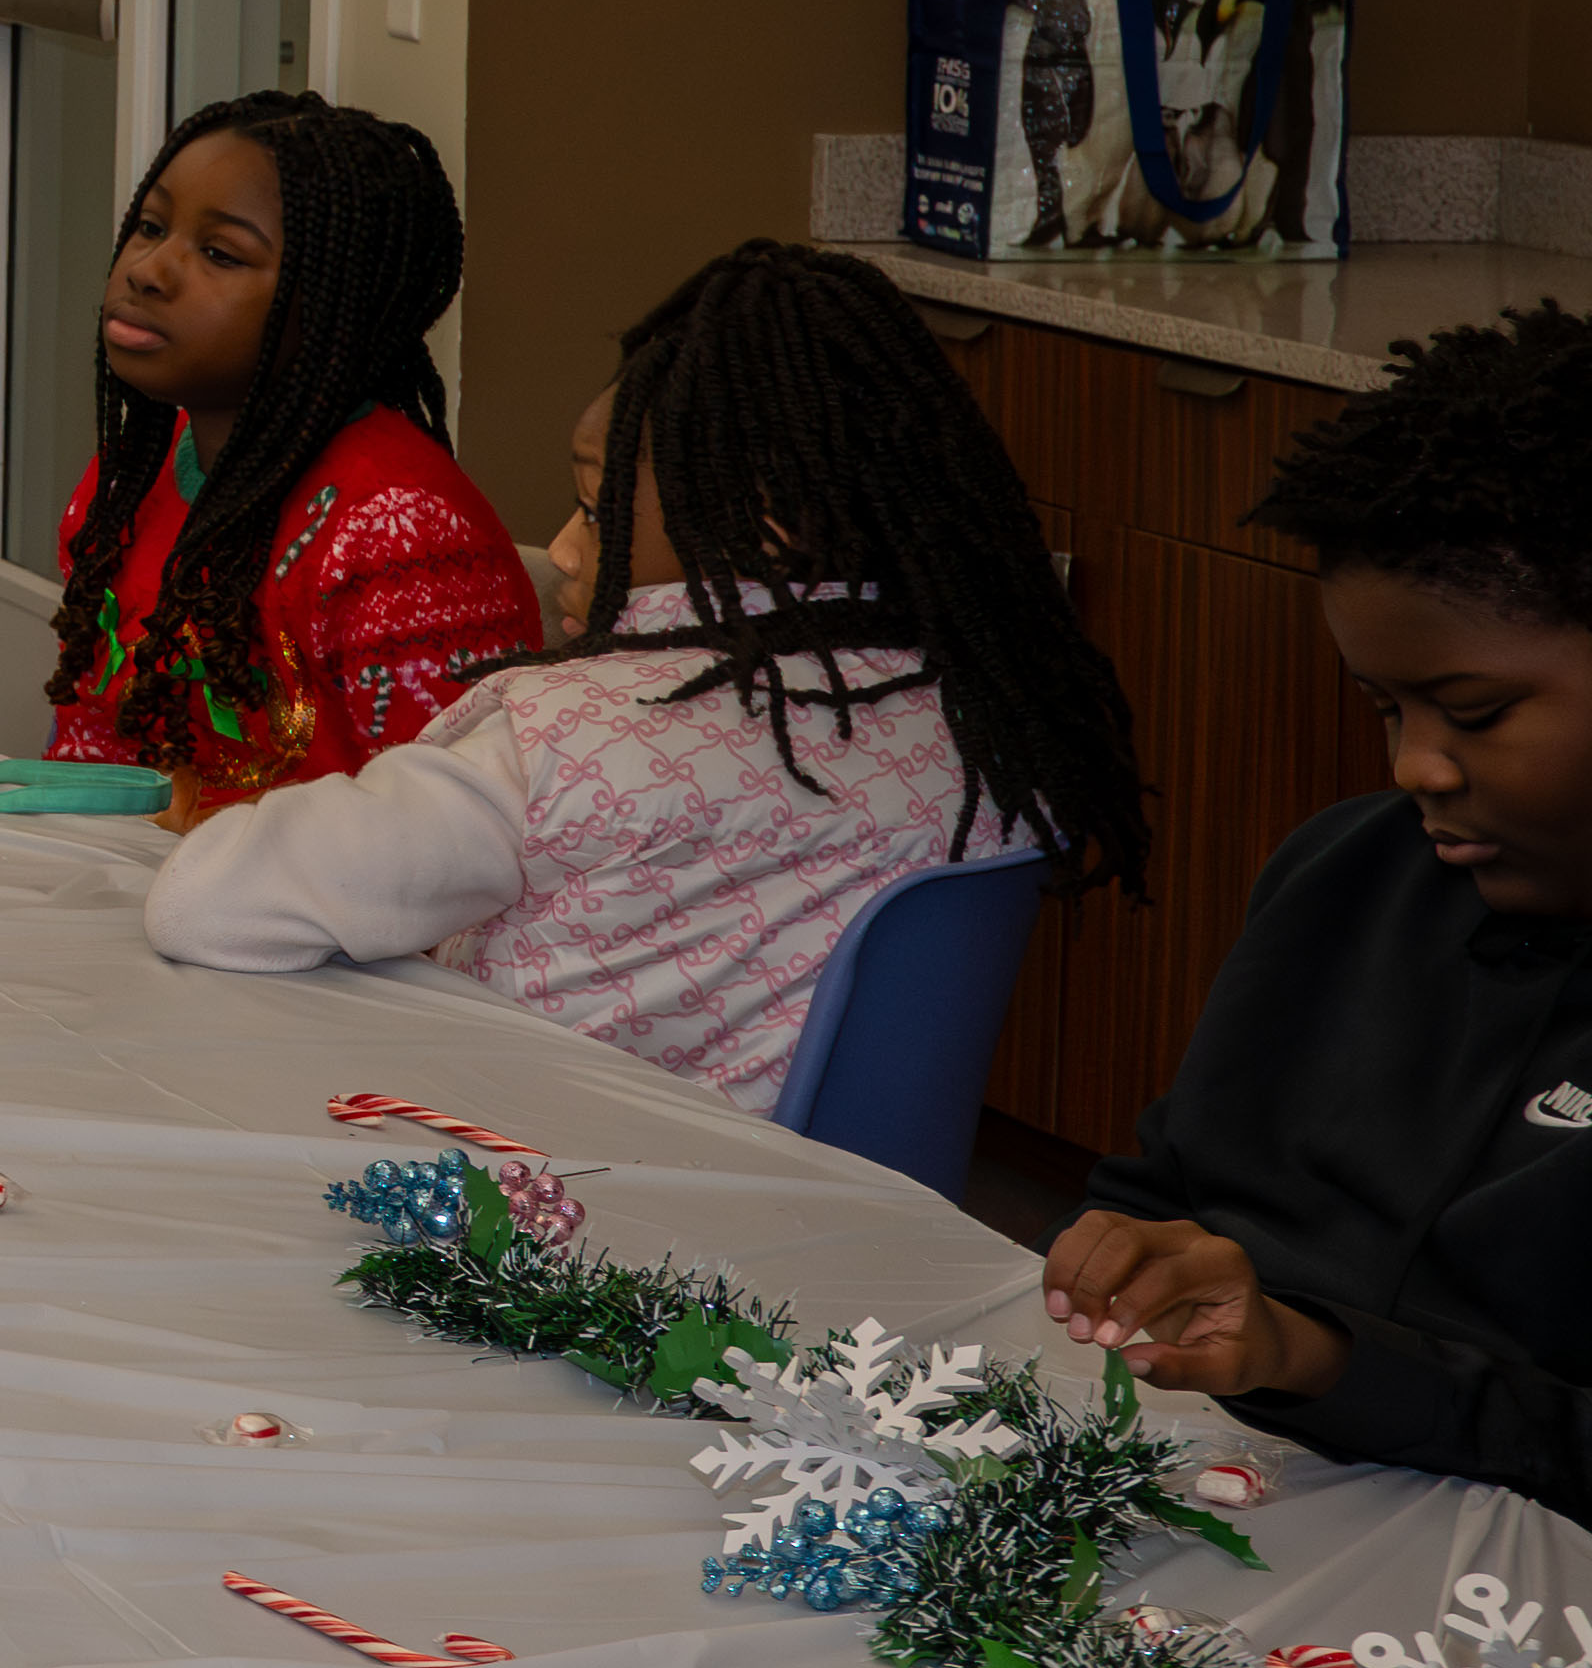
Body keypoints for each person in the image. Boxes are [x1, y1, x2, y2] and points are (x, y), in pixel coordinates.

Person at [150, 242, 1143, 1106]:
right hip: (838, 1214)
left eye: (597, 509)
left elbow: (209, 904)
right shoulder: (996, 715)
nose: (566, 550)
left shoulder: (561, 738)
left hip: (553, 1217)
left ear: (764, 522)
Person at [1046, 304, 1592, 1518]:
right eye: (1387, 708)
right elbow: (1164, 1182)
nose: (1415, 766)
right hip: (1213, 1470)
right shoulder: (1343, 873)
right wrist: (1123, 1251)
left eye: (1475, 712)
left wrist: (1319, 1357)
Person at [44, 89, 527, 823]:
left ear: (335, 307)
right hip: (122, 871)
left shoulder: (402, 535)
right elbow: (89, 755)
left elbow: (449, 841)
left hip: (321, 898)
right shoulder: (125, 482)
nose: (148, 270)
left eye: (220, 254)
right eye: (151, 226)